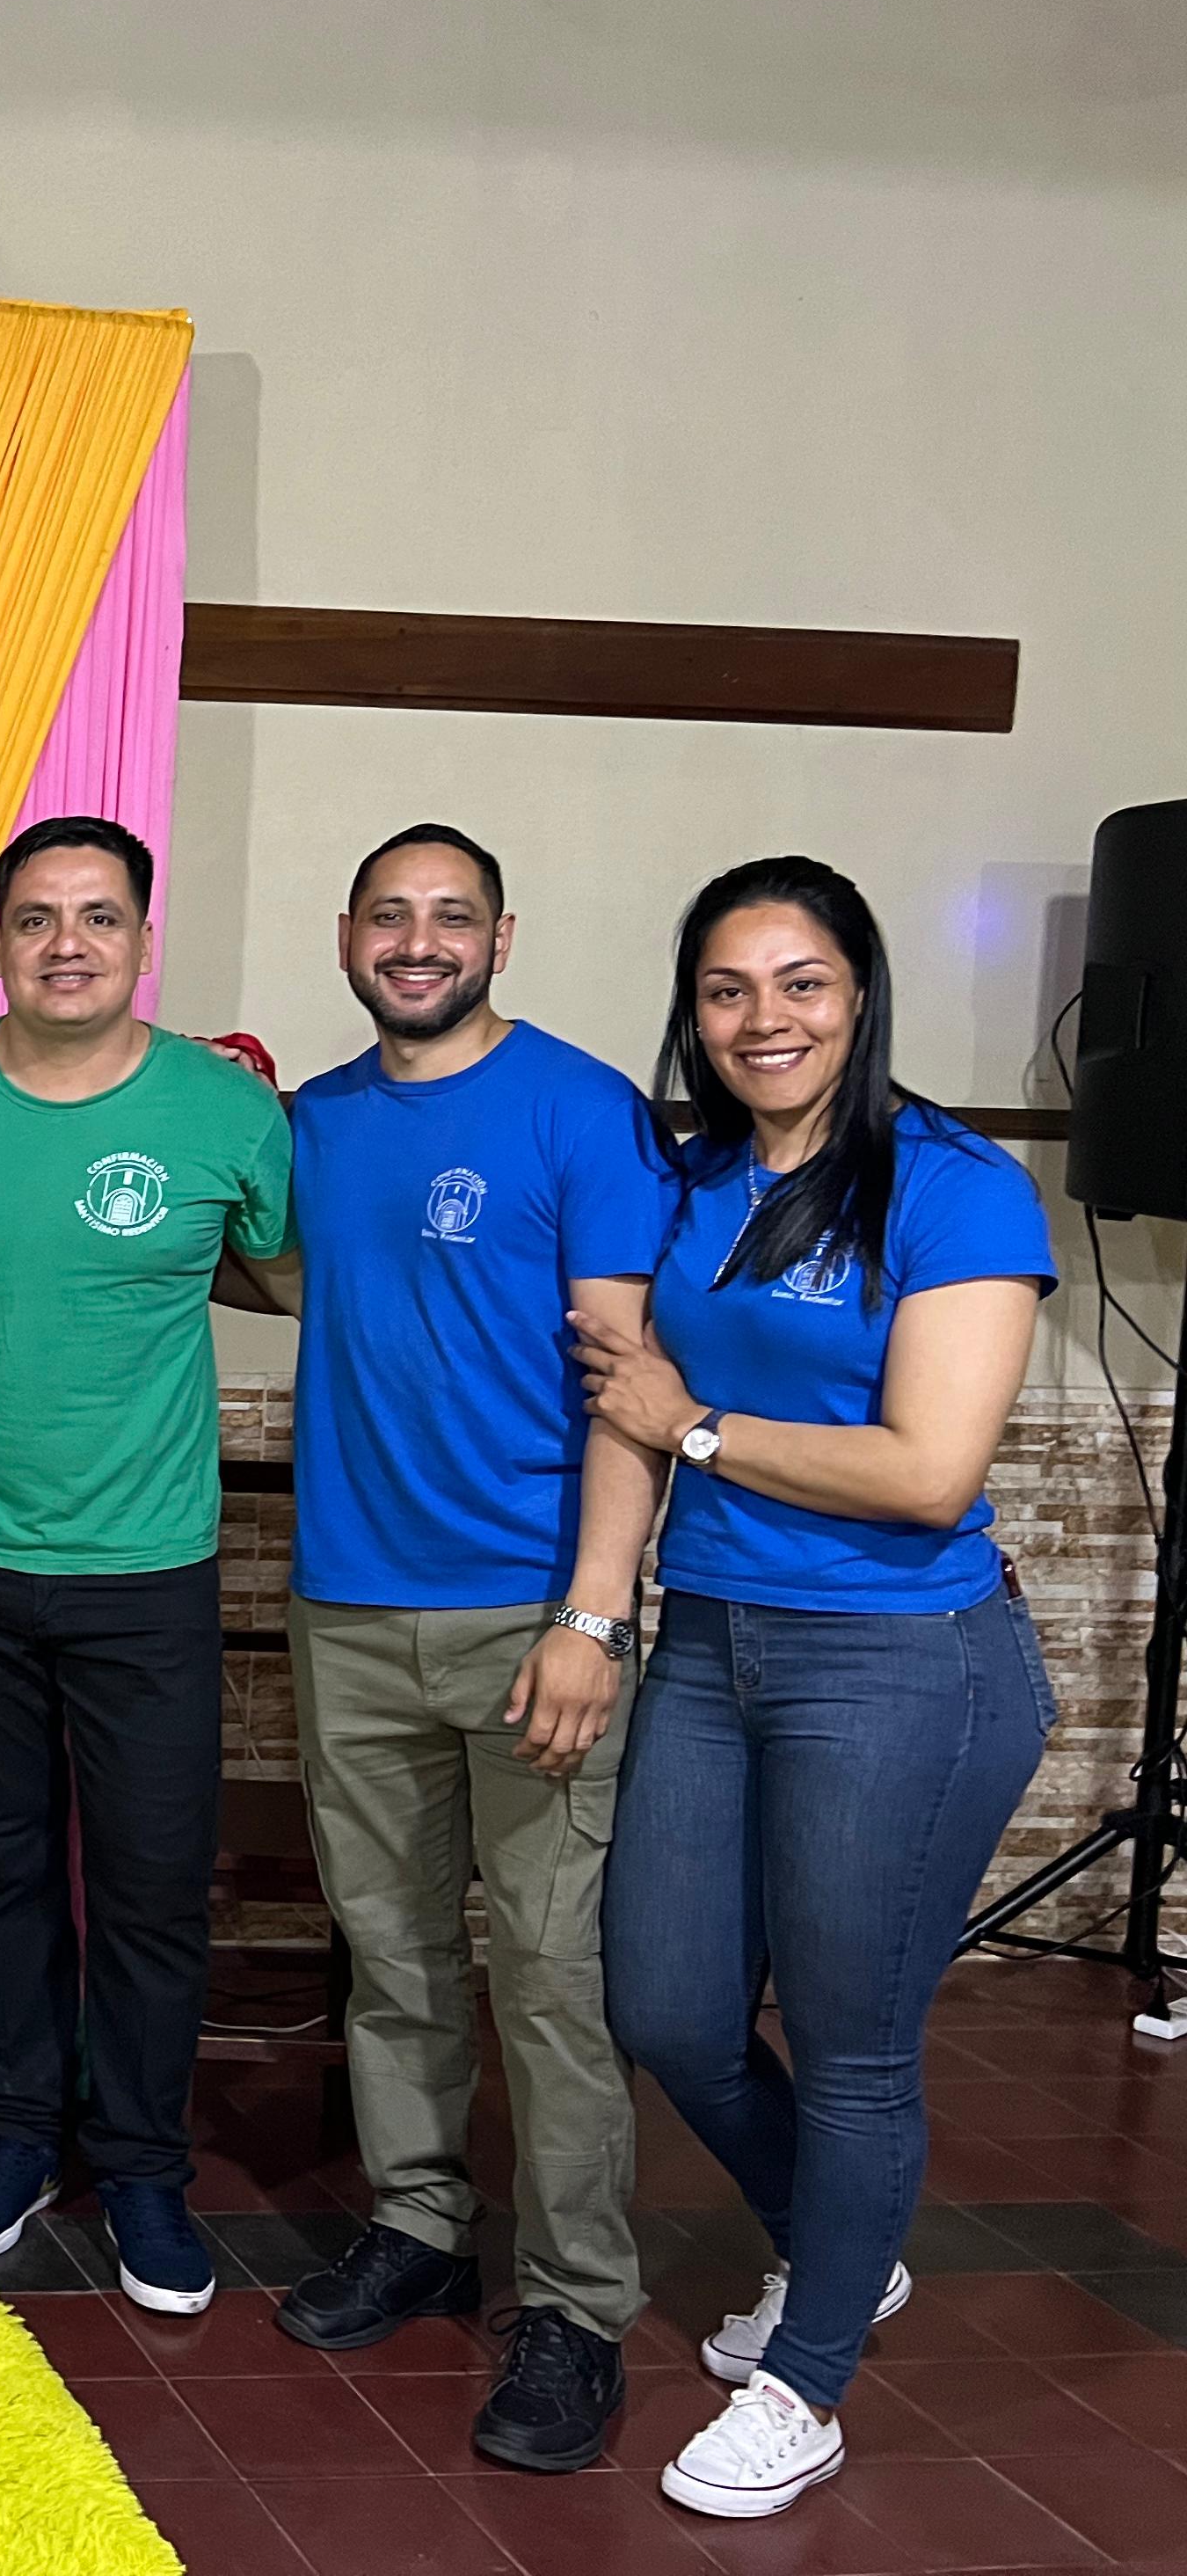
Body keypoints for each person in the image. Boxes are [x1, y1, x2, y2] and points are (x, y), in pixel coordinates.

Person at [577, 858, 1053, 2522]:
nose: (762, 1020)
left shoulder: (958, 1187)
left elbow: (929, 1472)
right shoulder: (695, 1177)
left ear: (861, 992)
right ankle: (842, 2246)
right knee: (669, 2009)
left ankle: (809, 2381)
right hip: (714, 1642)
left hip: (902, 1661)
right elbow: (619, 1388)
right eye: (727, 990)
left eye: (800, 984)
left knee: (853, 2047)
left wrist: (694, 1428)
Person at [259, 826, 671, 2472]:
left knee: (553, 1978)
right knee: (396, 1955)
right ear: (347, 935)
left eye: (451, 917)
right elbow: (288, 1272)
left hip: (529, 1615)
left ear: (502, 938)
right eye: (390, 915)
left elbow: (626, 1382)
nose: (417, 941)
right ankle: (419, 2224)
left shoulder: (581, 1109)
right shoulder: (317, 1122)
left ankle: (576, 2308)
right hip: (349, 1608)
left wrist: (592, 1616)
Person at [0, 814, 291, 2319]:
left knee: (155, 1886)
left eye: (99, 917)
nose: (67, 944)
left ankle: (148, 2170)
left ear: (143, 940)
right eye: (38, 917)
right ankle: (18, 2136)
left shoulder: (222, 1111)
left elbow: (304, 1278)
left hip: (146, 1567)